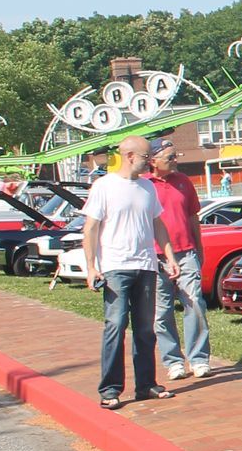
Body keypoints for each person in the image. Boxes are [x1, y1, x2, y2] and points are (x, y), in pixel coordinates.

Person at [82, 137, 180, 410]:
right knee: (115, 326)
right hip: (115, 267)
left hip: (146, 266)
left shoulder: (147, 187)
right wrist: (91, 267)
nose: (150, 161)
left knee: (145, 328)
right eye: (145, 156)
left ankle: (146, 385)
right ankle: (110, 389)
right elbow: (90, 228)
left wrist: (169, 257)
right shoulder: (104, 186)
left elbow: (158, 224)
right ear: (128, 156)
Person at [145, 139, 211, 380]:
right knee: (161, 312)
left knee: (195, 304)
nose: (175, 161)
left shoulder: (183, 182)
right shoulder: (144, 185)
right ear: (153, 161)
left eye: (175, 156)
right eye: (170, 157)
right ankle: (173, 361)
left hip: (186, 252)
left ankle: (199, 358)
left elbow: (193, 217)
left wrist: (199, 247)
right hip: (155, 256)